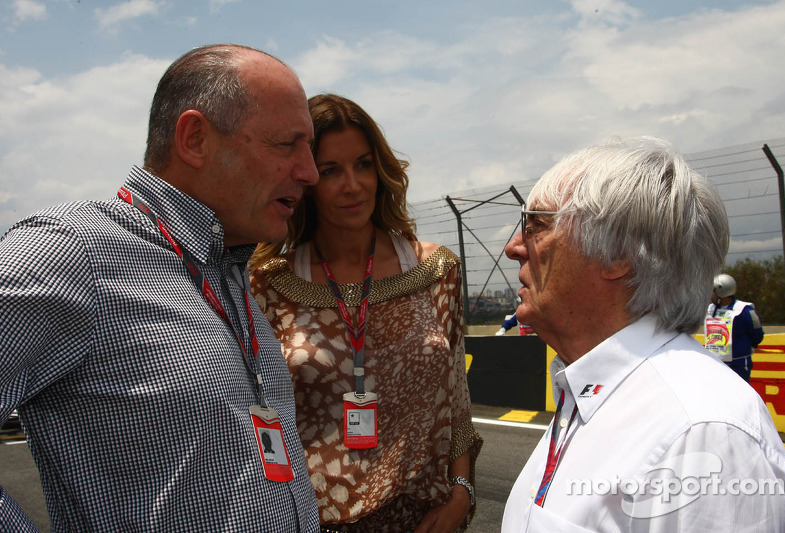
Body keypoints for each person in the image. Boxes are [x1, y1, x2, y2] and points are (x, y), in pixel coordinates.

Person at [0, 44, 321, 532]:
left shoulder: (228, 269)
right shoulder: (70, 253)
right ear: (194, 139)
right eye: (286, 145)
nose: (309, 172)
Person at [501, 137, 785, 531]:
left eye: (536, 224)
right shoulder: (597, 390)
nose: (513, 247)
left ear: (616, 256)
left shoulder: (701, 433)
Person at [249, 94, 482, 532]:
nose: (352, 185)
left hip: (423, 520)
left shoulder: (437, 271)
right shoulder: (267, 284)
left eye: (363, 164)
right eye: (331, 171)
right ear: (306, 180)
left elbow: (457, 401)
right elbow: (259, 420)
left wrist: (460, 494)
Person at [705, 273, 764, 382]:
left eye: (713, 291)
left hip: (738, 365)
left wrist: (745, 347)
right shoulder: (710, 309)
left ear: (721, 291)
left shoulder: (744, 310)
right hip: (715, 363)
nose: (710, 294)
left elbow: (757, 334)